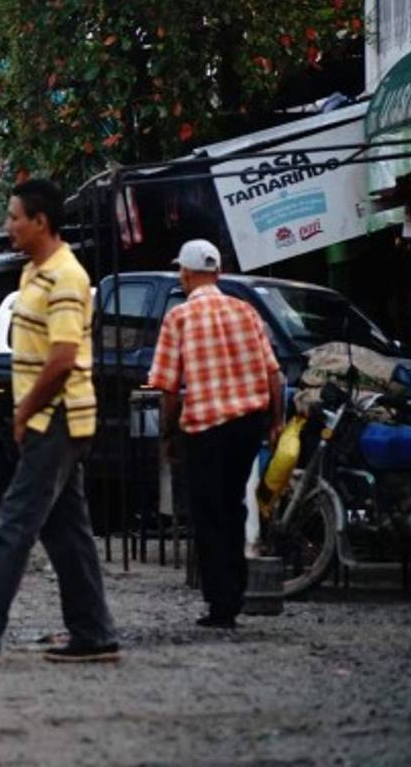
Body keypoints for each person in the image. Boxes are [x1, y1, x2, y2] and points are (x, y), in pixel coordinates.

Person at [0, 178, 118, 667]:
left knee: (15, 521)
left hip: (57, 418)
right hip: (48, 418)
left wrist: (27, 409)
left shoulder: (67, 277)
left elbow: (63, 357)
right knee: (67, 532)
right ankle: (93, 632)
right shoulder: (32, 275)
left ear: (40, 221)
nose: (7, 226)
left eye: (14, 217)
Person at [148, 239, 283, 629]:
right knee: (234, 506)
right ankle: (235, 592)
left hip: (205, 429)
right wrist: (274, 422)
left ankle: (222, 604)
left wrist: (168, 435)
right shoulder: (246, 311)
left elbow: (170, 390)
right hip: (247, 425)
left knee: (209, 514)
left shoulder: (180, 318)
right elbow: (273, 373)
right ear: (218, 273)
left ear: (186, 275)